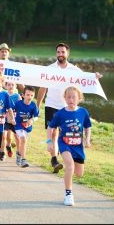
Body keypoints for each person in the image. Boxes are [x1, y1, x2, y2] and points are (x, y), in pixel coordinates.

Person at [36, 42, 101, 173]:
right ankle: (54, 160)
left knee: (62, 134)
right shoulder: (49, 69)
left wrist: (95, 77)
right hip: (51, 105)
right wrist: (38, 105)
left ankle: (62, 152)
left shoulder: (74, 70)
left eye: (63, 52)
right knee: (53, 133)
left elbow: (86, 79)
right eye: (58, 52)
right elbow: (42, 88)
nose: (60, 54)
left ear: (67, 54)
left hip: (66, 107)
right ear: (56, 54)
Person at [47, 86, 92, 206]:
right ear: (65, 99)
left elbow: (88, 126)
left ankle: (69, 188)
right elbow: (50, 127)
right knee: (70, 166)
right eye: (68, 97)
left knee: (79, 173)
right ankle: (68, 195)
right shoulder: (60, 113)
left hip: (78, 146)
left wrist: (87, 139)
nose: (71, 99)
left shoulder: (83, 112)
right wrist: (49, 142)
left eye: (74, 97)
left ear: (79, 98)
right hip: (64, 143)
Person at [14, 86, 39, 167]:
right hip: (18, 126)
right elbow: (11, 111)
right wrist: (11, 118)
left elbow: (36, 116)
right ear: (23, 95)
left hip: (27, 127)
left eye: (32, 95)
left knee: (24, 142)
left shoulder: (33, 105)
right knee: (23, 139)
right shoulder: (18, 103)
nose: (29, 97)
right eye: (28, 95)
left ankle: (19, 154)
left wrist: (32, 120)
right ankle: (23, 160)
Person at [0, 81, 21, 161]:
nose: (11, 86)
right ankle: (2, 152)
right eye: (9, 85)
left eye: (13, 85)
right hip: (5, 119)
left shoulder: (17, 96)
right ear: (6, 86)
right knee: (3, 136)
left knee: (17, 137)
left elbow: (21, 108)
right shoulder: (3, 95)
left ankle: (19, 154)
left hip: (15, 120)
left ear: (15, 86)